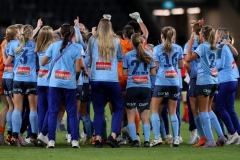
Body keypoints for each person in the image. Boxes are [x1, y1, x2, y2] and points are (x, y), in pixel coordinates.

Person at [42, 24, 87, 148]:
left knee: (53, 112)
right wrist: (76, 80)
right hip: (69, 84)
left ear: (60, 33)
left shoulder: (53, 45)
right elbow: (78, 70)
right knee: (72, 113)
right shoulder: (77, 47)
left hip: (54, 83)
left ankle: (51, 141)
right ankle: (75, 140)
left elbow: (43, 62)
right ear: (73, 35)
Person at [186, 25, 227, 147]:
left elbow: (188, 58)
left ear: (202, 35)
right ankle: (221, 136)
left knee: (203, 111)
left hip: (204, 80)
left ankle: (210, 140)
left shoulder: (202, 47)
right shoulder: (214, 46)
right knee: (209, 110)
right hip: (214, 80)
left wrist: (189, 45)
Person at [88, 14, 123, 148]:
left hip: (96, 78)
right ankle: (113, 136)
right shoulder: (116, 40)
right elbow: (120, 58)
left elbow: (89, 55)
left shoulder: (92, 39)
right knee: (118, 108)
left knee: (98, 110)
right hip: (111, 79)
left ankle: (97, 138)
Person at [6, 24, 38, 146]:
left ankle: (14, 135)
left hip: (17, 79)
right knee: (33, 108)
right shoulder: (35, 46)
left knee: (17, 108)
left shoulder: (14, 45)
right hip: (31, 79)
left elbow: (8, 62)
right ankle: (34, 136)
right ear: (31, 34)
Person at [150, 26, 183, 147]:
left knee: (154, 110)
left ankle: (157, 137)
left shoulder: (157, 48)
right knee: (173, 112)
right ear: (173, 36)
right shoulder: (179, 48)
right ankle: (176, 138)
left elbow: (156, 67)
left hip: (161, 82)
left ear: (162, 36)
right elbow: (181, 65)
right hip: (174, 82)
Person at [123, 33, 156, 147]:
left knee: (131, 115)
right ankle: (146, 141)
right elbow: (153, 72)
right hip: (145, 87)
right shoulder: (148, 54)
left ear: (132, 43)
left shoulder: (128, 55)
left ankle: (135, 141)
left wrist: (133, 73)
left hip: (132, 87)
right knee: (145, 116)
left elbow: (124, 72)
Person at [214, 28, 240, 145]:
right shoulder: (225, 46)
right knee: (230, 108)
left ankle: (233, 133)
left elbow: (220, 64)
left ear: (219, 35)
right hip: (233, 79)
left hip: (225, 80)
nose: (214, 35)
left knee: (219, 107)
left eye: (215, 34)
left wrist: (210, 66)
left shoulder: (220, 47)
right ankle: (238, 134)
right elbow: (236, 54)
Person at [34, 26, 54, 146]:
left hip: (40, 80)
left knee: (41, 110)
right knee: (51, 109)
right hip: (50, 81)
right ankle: (44, 135)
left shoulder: (38, 47)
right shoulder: (53, 47)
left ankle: (40, 134)